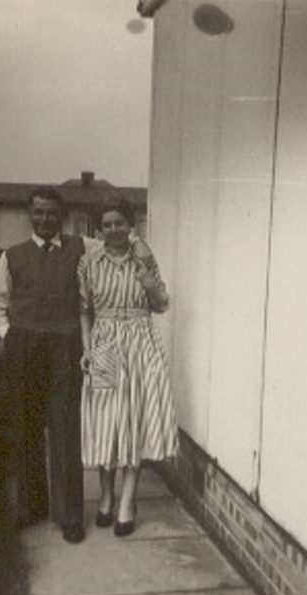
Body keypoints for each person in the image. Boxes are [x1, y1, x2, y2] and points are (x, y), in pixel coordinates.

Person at [0, 187, 96, 543]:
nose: (46, 219)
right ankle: (31, 509)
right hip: (25, 349)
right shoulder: (12, 256)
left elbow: (119, 240)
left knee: (65, 429)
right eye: (39, 212)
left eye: (52, 213)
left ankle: (70, 515)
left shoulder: (82, 248)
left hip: (65, 348)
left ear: (62, 216)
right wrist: (8, 334)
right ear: (30, 215)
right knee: (26, 428)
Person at [78, 197, 178, 537]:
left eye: (119, 222)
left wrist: (147, 279)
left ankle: (127, 502)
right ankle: (106, 496)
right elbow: (83, 310)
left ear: (130, 225)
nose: (113, 229)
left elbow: (162, 304)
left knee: (133, 419)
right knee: (106, 421)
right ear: (98, 229)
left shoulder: (144, 258)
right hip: (105, 342)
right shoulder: (89, 263)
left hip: (139, 344)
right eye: (106, 224)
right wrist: (88, 348)